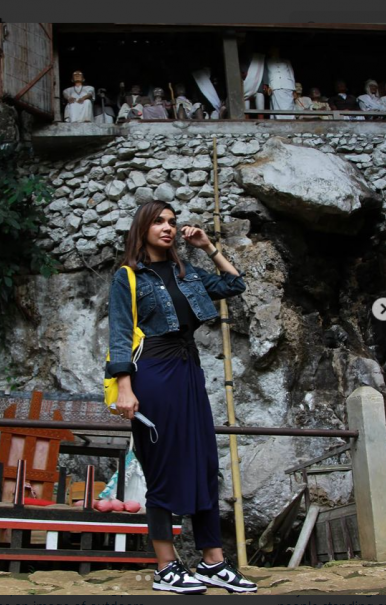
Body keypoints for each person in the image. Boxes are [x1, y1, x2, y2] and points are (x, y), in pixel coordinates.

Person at [107, 201, 257, 595]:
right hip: (153, 375)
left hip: (189, 372)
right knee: (162, 466)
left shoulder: (185, 271)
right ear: (143, 228)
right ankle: (166, 566)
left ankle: (213, 563)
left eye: (172, 222)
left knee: (206, 462)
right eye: (158, 221)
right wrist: (124, 387)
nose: (168, 227)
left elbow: (234, 284)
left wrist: (208, 246)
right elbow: (120, 334)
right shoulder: (128, 277)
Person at [265, 46, 296, 119]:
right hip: (275, 86)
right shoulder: (267, 61)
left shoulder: (286, 61)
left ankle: (290, 121)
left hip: (287, 85)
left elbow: (291, 74)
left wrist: (294, 89)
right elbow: (266, 74)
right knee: (277, 107)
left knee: (289, 106)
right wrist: (268, 85)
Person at [241, 53, 266, 118]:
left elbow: (263, 70)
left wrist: (265, 83)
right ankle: (246, 123)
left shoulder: (260, 57)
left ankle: (261, 122)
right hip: (247, 83)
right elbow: (242, 69)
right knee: (246, 109)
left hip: (258, 84)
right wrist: (243, 72)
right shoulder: (243, 57)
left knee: (260, 107)